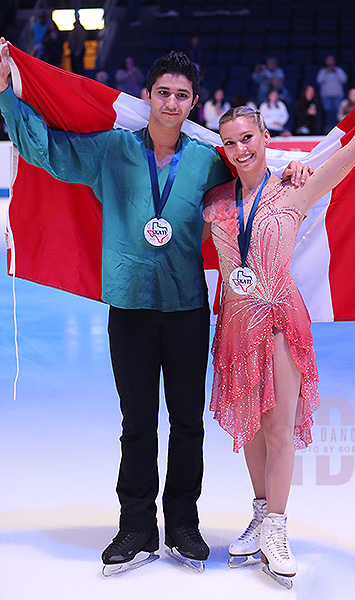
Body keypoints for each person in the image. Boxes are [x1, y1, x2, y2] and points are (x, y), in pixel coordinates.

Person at [0, 42, 310, 575]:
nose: (171, 102)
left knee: (188, 423)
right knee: (137, 421)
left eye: (182, 95)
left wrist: (295, 172)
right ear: (148, 97)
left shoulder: (208, 160)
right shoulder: (111, 151)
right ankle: (137, 527)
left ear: (193, 104)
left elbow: (253, 176)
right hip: (131, 308)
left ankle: (183, 524)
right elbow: (45, 149)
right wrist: (7, 94)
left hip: (188, 311)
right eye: (163, 92)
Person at [202, 60, 355, 588]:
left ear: (265, 135)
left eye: (248, 137)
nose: (240, 149)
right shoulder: (213, 202)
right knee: (247, 427)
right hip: (233, 326)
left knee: (278, 430)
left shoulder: (298, 189)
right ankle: (259, 510)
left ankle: (277, 525)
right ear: (222, 148)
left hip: (278, 322)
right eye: (230, 143)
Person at [316, 54, 348, 133]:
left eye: (331, 60)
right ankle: (328, 130)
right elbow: (319, 80)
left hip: (337, 96)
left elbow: (344, 79)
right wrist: (326, 72)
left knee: (337, 113)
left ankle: (337, 131)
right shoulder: (323, 71)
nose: (330, 62)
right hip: (326, 96)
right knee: (328, 113)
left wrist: (336, 72)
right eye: (328, 60)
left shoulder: (339, 70)